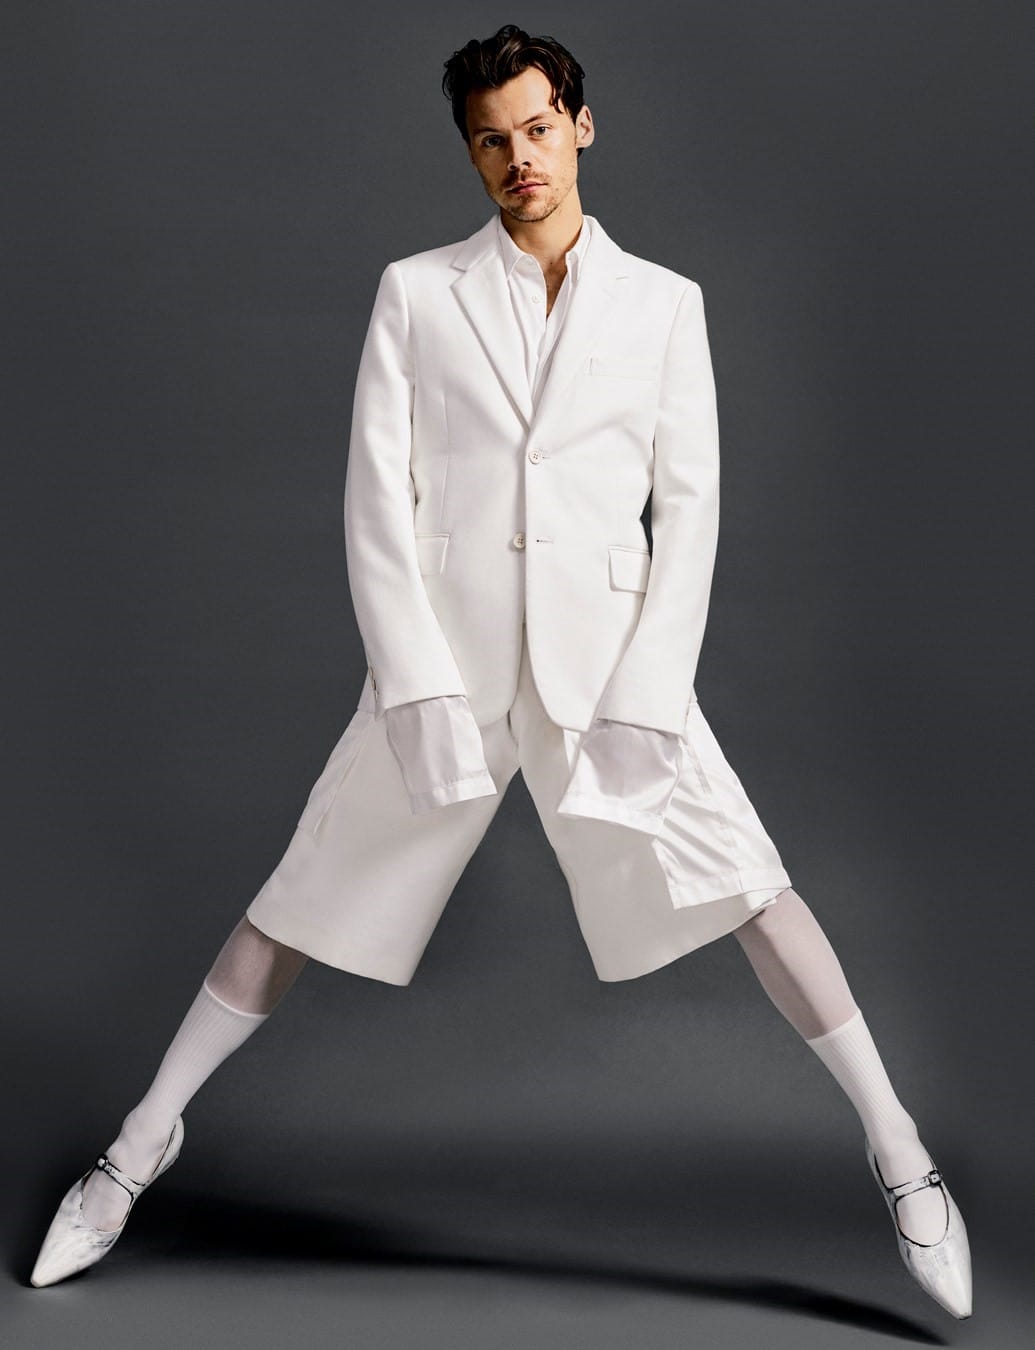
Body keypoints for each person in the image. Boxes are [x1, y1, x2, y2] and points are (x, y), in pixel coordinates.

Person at [30, 23, 972, 1320]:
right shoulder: (417, 294)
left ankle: (905, 1159)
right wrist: (411, 679)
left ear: (580, 125)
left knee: (756, 890)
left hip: (612, 674)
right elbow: (375, 502)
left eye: (536, 129)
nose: (518, 157)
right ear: (469, 152)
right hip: (446, 665)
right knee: (298, 901)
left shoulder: (665, 306)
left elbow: (689, 518)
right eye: (491, 140)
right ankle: (135, 1150)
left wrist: (652, 692)